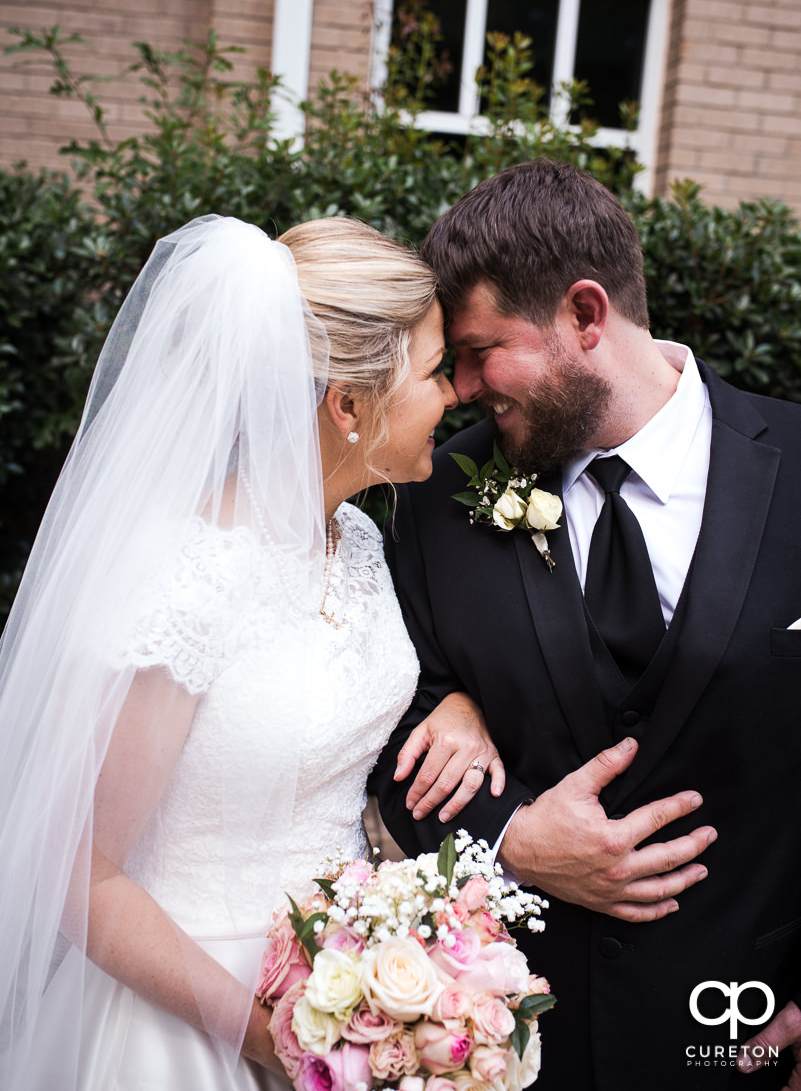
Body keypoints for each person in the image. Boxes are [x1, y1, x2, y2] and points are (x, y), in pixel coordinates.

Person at [0, 213, 504, 1091]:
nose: (456, 394)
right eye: (432, 372)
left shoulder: (353, 537)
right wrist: (272, 1037)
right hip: (183, 1025)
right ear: (349, 405)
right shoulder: (187, 578)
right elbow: (76, 869)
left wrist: (461, 706)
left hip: (347, 996)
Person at [371, 159, 801, 1090]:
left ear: (583, 313)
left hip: (740, 1029)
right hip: (511, 1041)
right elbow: (374, 732)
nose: (462, 387)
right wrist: (508, 836)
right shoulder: (437, 498)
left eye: (481, 351)